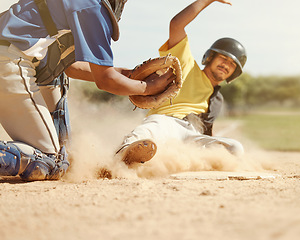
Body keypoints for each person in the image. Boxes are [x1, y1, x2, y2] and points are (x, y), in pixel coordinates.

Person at [0, 0, 174, 181]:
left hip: (15, 57)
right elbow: (105, 80)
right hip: (9, 59)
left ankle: (64, 153)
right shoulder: (93, 7)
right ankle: (48, 154)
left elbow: (71, 66)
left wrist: (130, 75)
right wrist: (147, 88)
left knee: (65, 155)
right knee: (50, 162)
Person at [115, 0, 247, 166]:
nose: (226, 65)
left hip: (191, 136)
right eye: (223, 58)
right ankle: (123, 156)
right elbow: (176, 25)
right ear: (210, 57)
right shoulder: (187, 66)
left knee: (235, 148)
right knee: (153, 127)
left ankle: (178, 162)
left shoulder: (217, 100)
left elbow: (207, 133)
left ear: (234, 72)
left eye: (232, 64)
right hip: (168, 122)